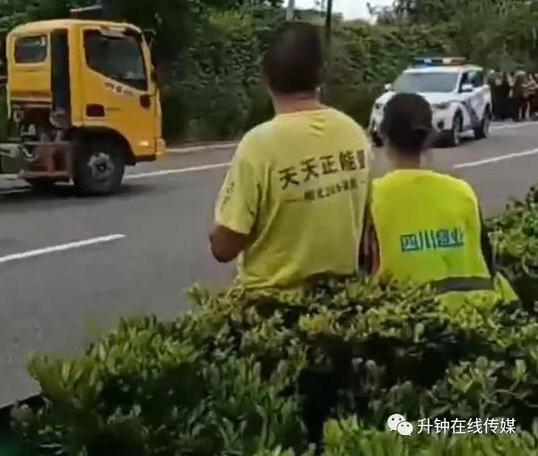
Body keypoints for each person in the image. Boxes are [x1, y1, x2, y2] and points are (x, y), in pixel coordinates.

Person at [209, 21, 372, 290]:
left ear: (264, 76)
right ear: (321, 76)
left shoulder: (258, 144)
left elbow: (225, 246)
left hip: (271, 307)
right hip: (342, 301)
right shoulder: (353, 133)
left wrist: (215, 233)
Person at [362, 92, 516, 306]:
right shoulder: (461, 191)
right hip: (476, 313)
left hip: (405, 316)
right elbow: (487, 259)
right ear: (428, 137)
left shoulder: (373, 196)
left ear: (382, 134)